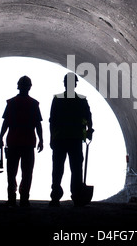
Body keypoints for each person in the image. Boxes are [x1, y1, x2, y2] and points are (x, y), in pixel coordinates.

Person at [49, 73, 94, 207]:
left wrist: (51, 137)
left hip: (60, 139)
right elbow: (88, 117)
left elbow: (52, 120)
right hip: (75, 139)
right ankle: (76, 196)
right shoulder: (81, 100)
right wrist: (89, 131)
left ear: (64, 83)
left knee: (58, 169)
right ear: (74, 84)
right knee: (76, 169)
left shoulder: (57, 100)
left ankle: (56, 197)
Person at [0, 76, 43, 207]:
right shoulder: (34, 104)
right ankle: (24, 199)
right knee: (27, 172)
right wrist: (41, 140)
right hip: (28, 143)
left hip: (14, 142)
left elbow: (6, 122)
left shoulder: (12, 103)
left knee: (12, 172)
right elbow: (37, 124)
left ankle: (12, 198)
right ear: (30, 87)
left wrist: (0, 136)